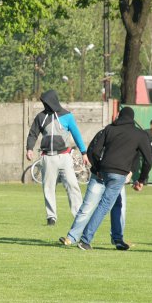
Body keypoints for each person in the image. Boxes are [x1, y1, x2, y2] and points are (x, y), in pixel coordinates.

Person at [58, 106, 150, 250]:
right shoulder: (140, 134)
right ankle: (85, 240)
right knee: (105, 206)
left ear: (119, 116)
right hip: (118, 175)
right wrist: (141, 180)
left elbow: (94, 150)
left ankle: (115, 239)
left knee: (101, 205)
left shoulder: (109, 129)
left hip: (102, 172)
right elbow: (148, 161)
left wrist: (97, 168)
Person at [25, 89, 89, 226]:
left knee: (72, 185)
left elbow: (76, 134)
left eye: (46, 101)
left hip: (64, 156)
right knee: (48, 188)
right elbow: (33, 134)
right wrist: (29, 148)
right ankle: (51, 217)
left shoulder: (67, 116)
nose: (44, 104)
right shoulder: (40, 117)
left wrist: (84, 152)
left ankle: (79, 216)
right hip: (47, 157)